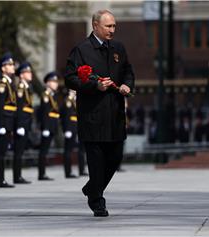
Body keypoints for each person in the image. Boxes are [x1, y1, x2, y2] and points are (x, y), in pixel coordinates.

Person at [65, 9, 135, 217]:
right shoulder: (81, 49)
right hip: (92, 114)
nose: (112, 30)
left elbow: (128, 72)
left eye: (114, 26)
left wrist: (127, 85)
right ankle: (97, 201)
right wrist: (95, 86)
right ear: (95, 26)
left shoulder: (118, 48)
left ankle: (92, 188)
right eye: (108, 26)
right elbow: (70, 79)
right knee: (96, 160)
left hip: (114, 113)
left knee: (115, 156)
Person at [0, 53, 16, 188]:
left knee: (2, 152)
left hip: (8, 122)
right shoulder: (2, 84)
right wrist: (0, 124)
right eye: (10, 65)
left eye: (12, 64)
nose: (12, 67)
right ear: (3, 68)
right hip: (3, 122)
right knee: (0, 153)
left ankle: (1, 179)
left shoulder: (9, 83)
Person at [13, 62, 34, 184]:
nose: (30, 74)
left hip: (26, 122)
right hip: (22, 123)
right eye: (28, 72)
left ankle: (19, 175)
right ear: (21, 75)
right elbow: (20, 108)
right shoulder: (21, 87)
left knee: (20, 151)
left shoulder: (27, 87)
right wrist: (20, 125)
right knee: (18, 150)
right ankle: (17, 176)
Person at [37, 72, 60, 181]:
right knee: (43, 151)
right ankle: (41, 174)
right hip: (47, 126)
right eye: (54, 82)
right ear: (48, 83)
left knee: (45, 151)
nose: (56, 84)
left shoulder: (52, 95)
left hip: (52, 126)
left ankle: (43, 173)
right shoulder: (46, 95)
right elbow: (45, 113)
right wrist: (45, 127)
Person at [60, 89, 88, 178]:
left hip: (78, 127)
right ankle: (68, 172)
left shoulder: (77, 99)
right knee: (68, 150)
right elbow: (67, 116)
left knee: (81, 150)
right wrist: (67, 129)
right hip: (71, 127)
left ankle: (82, 169)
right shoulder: (68, 100)